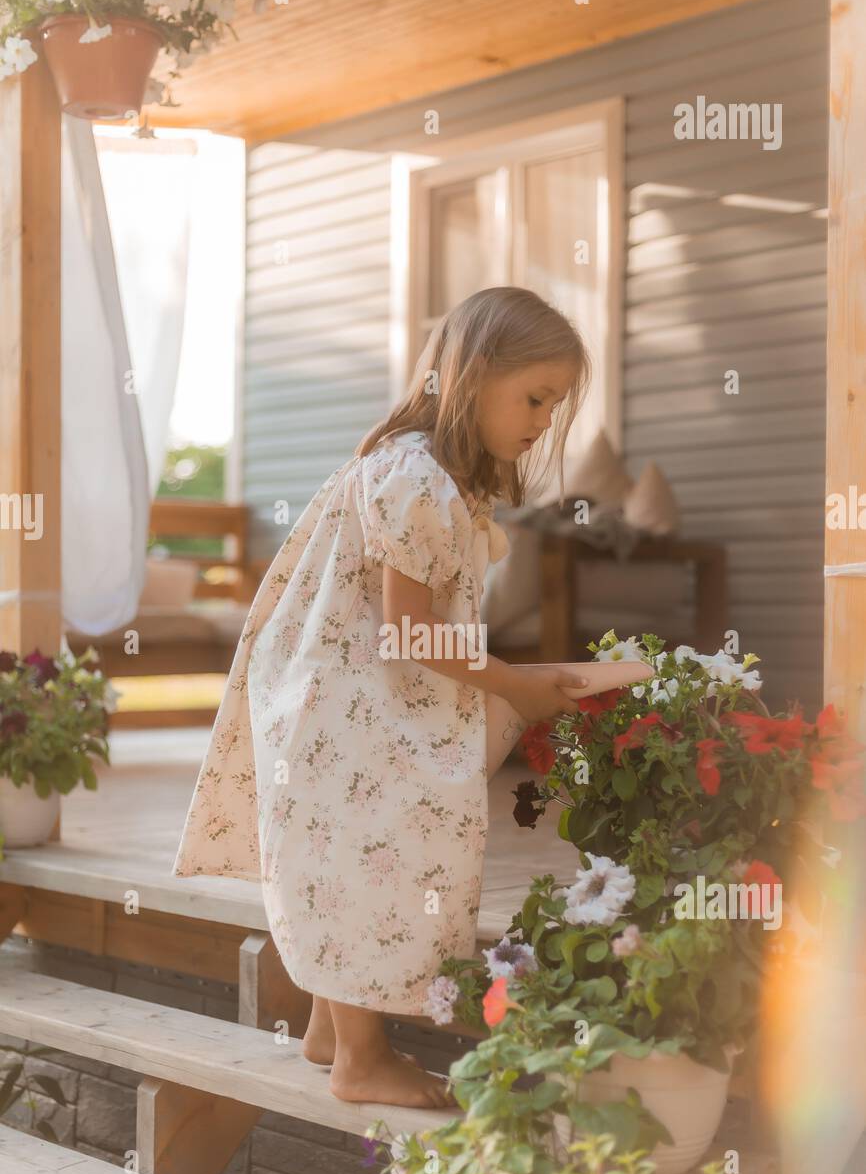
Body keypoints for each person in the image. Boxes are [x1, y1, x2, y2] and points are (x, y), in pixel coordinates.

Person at [172, 285, 653, 1109]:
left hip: (341, 695)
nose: (543, 420)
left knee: (353, 853)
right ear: (472, 377)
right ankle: (363, 1058)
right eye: (533, 397)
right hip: (350, 701)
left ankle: (335, 1029)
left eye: (555, 404)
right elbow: (410, 631)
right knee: (383, 855)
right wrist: (516, 683)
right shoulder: (417, 479)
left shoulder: (422, 472)